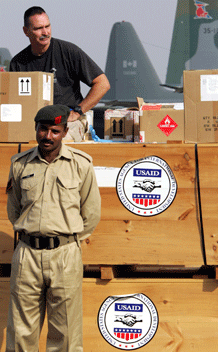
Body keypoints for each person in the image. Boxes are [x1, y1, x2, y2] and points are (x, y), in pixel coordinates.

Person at [6, 104, 101, 351]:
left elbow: (90, 213)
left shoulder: (80, 164)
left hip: (65, 254)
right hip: (27, 254)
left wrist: (66, 240)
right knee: (20, 330)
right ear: (36, 129)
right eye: (43, 129)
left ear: (65, 131)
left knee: (66, 332)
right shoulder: (20, 164)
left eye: (55, 131)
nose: (48, 136)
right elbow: (14, 210)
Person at [9, 6, 110, 141]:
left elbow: (102, 84)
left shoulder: (68, 52)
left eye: (47, 26)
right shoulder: (18, 62)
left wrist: (78, 111)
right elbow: (13, 102)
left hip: (67, 122)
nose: (45, 32)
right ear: (26, 31)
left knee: (56, 141)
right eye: (38, 28)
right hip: (35, 124)